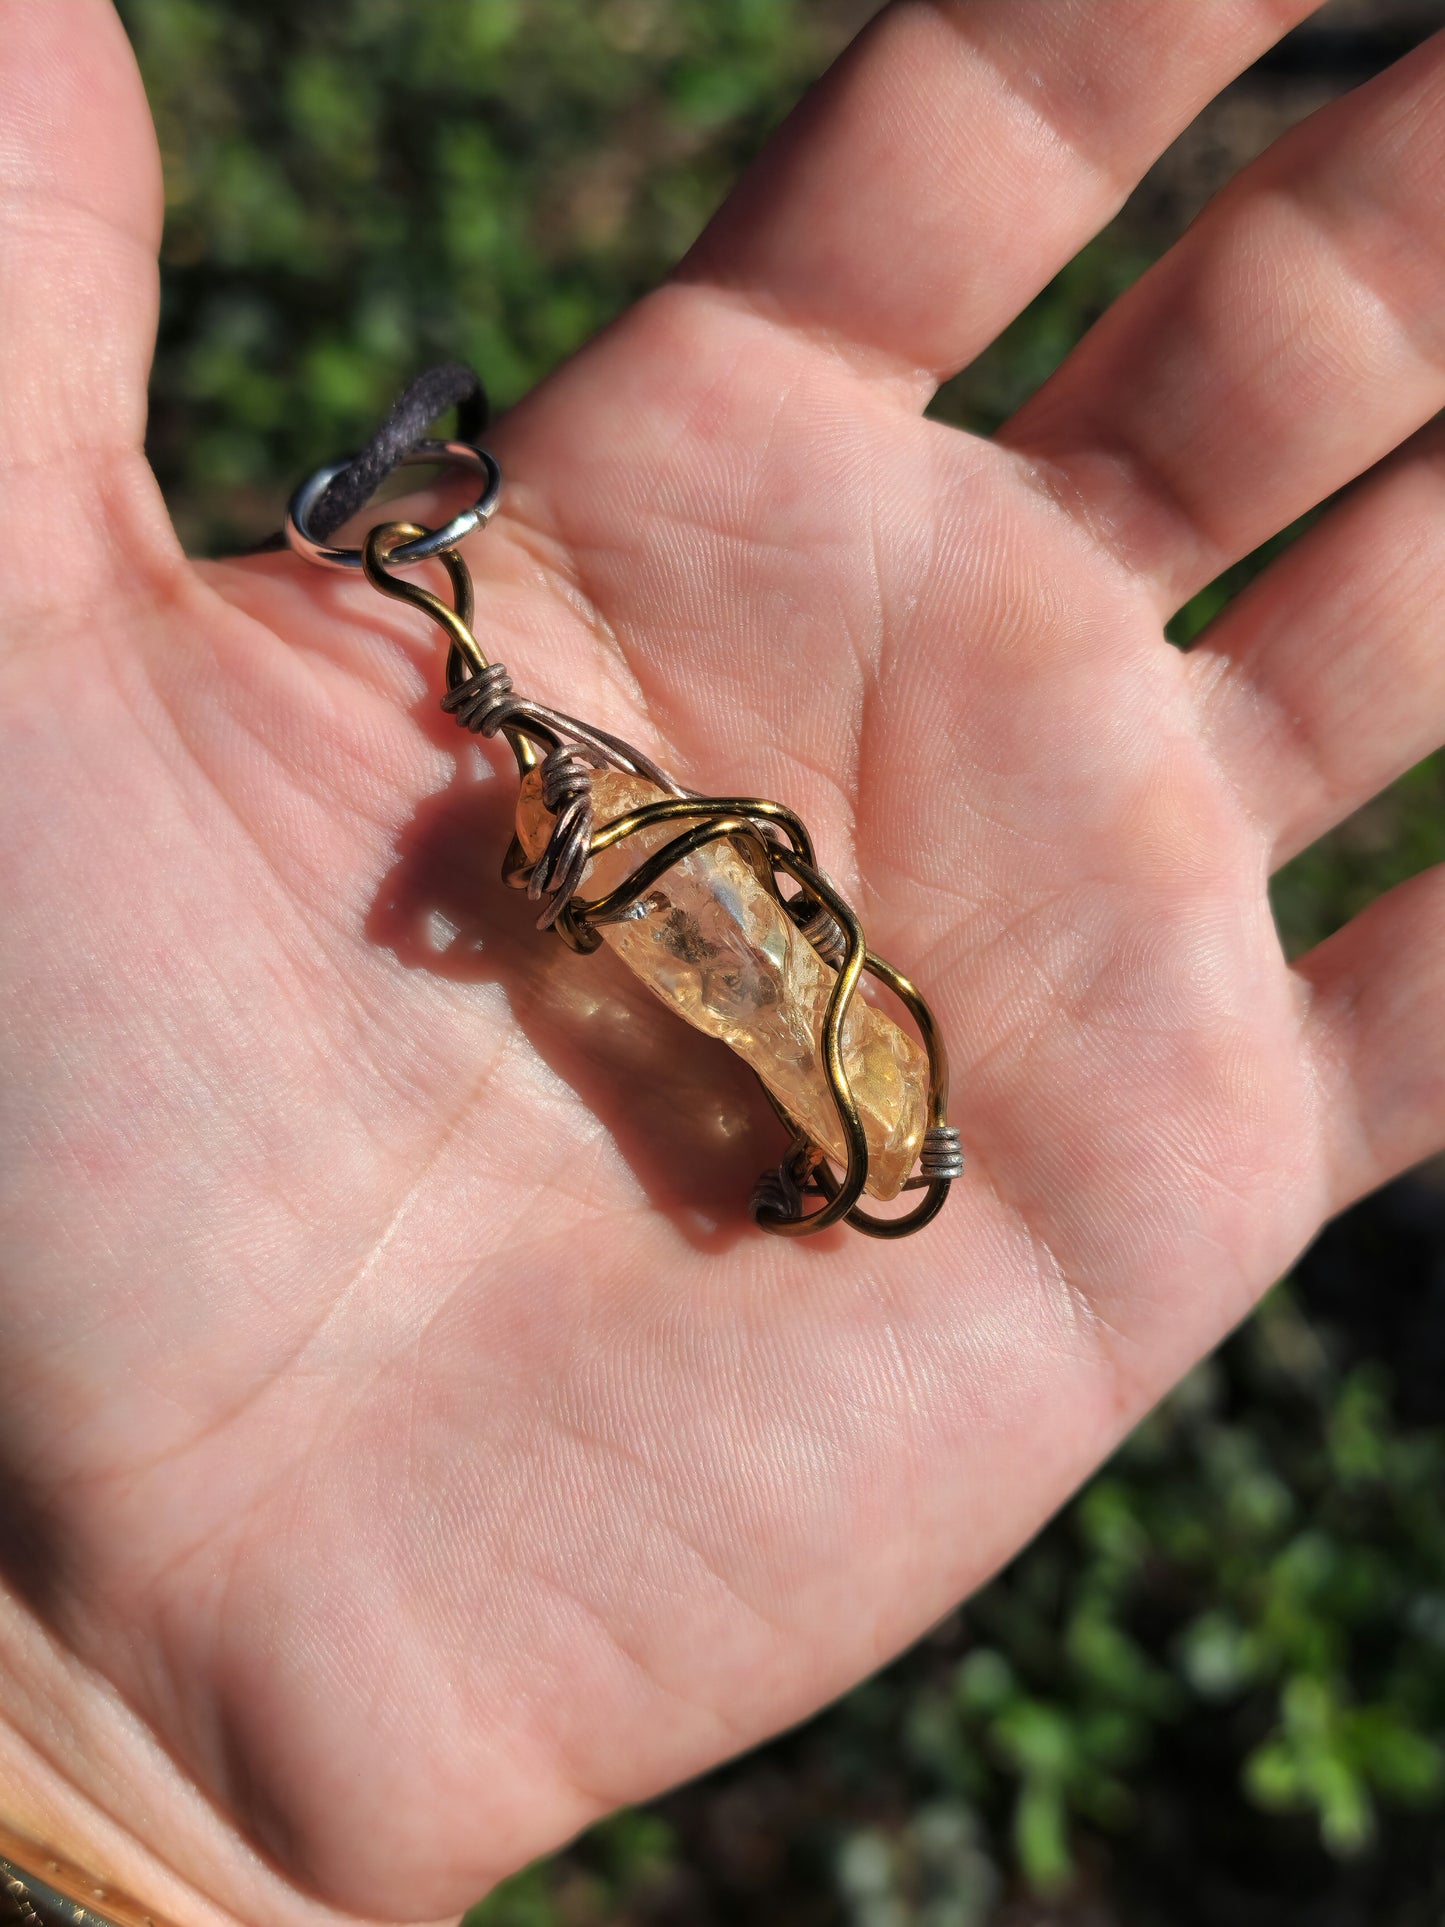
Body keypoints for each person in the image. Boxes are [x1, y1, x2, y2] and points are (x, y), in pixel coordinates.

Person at [2, 0, 1444, 1921]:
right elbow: (747, 910)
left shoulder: (816, 1042)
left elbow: (765, 913)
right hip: (704, 953)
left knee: (706, 921)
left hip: (722, 964)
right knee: (697, 918)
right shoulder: (754, 994)